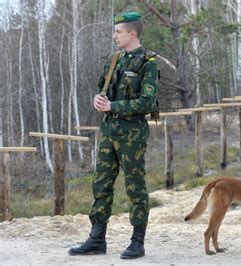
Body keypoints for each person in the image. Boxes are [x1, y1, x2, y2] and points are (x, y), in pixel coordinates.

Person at [68, 11, 159, 259]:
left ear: (132, 33)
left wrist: (114, 107)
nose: (114, 36)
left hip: (132, 133)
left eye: (118, 31)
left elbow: (148, 103)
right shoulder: (113, 60)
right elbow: (103, 89)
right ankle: (97, 238)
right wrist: (98, 100)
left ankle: (137, 241)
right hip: (109, 131)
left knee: (135, 187)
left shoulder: (147, 63)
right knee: (101, 183)